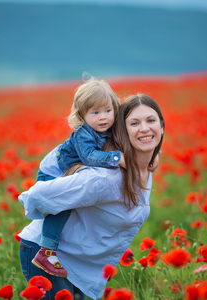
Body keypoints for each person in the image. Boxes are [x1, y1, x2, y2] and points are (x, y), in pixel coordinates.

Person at [18, 94, 165, 299]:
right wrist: (42, 212)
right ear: (121, 131)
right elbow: (37, 195)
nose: (144, 128)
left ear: (162, 127)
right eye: (134, 123)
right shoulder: (104, 179)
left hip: (77, 263)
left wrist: (155, 154)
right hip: (50, 256)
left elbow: (148, 141)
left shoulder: (144, 165)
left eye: (151, 121)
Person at [32, 76, 125, 278]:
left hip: (73, 168)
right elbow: (90, 157)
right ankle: (45, 251)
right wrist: (117, 158)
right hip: (52, 172)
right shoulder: (84, 133)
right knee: (62, 204)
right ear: (82, 116)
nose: (103, 117)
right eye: (95, 112)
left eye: (108, 111)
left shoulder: (108, 129)